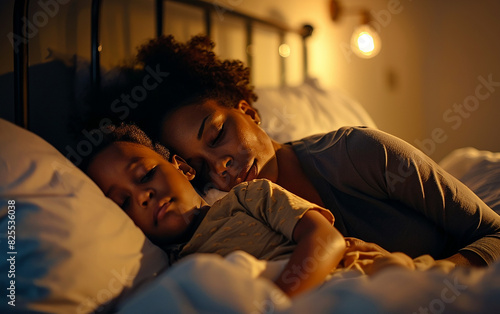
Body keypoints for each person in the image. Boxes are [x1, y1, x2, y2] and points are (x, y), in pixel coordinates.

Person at [86, 35, 500, 268]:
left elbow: (493, 233)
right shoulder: (232, 224)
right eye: (200, 166)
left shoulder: (362, 153)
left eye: (216, 137)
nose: (222, 167)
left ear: (248, 111)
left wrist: (432, 273)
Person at [81, 123, 350, 297]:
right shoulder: (168, 271)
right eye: (123, 202)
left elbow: (327, 239)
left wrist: (278, 301)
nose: (142, 196)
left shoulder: (250, 196)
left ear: (183, 168)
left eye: (144, 175)